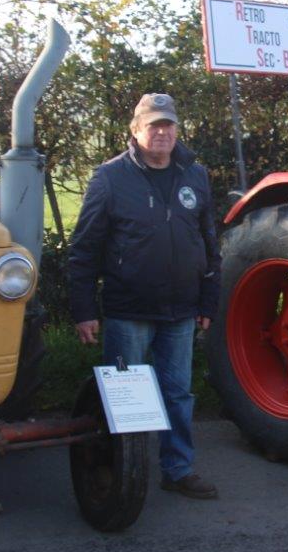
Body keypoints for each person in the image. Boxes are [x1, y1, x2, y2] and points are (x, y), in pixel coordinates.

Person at [68, 92, 221, 500]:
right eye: (153, 125)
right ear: (135, 131)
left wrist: (208, 300)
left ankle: (178, 469)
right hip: (128, 311)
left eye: (168, 124)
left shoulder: (195, 175)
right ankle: (121, 478)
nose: (162, 132)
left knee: (178, 393)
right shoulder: (110, 177)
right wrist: (84, 310)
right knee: (127, 399)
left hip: (181, 310)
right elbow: (84, 248)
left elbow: (208, 242)